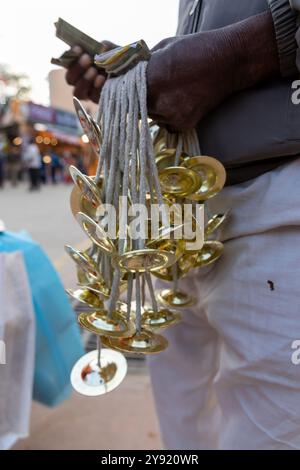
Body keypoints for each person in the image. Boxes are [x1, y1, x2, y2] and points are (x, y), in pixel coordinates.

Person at [64, 0, 300, 449]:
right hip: (184, 225)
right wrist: (133, 76)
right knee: (181, 420)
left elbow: (234, 46)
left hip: (283, 209)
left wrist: (244, 52)